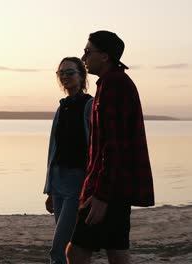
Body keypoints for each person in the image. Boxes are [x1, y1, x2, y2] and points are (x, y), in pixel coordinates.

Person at [66, 30, 154, 264]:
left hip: (109, 189)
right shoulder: (113, 83)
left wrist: (102, 195)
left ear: (105, 56)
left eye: (88, 51)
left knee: (75, 253)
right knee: (116, 251)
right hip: (116, 186)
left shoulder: (114, 85)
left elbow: (114, 145)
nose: (83, 58)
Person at [43, 57, 93, 264]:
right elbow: (53, 150)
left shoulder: (89, 105)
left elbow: (94, 147)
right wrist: (49, 189)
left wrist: (90, 187)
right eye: (61, 73)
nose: (65, 76)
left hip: (77, 182)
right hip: (58, 180)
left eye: (70, 72)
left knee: (60, 247)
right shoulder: (61, 107)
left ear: (82, 75)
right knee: (68, 244)